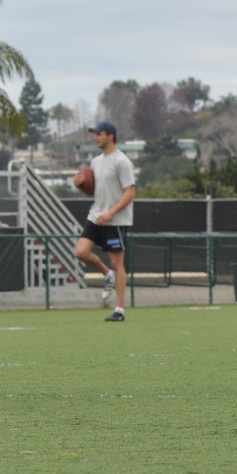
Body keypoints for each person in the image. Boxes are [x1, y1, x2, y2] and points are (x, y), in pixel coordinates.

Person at [73, 120, 136, 322]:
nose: (95, 137)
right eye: (94, 134)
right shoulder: (96, 162)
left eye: (98, 134)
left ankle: (119, 309)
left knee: (118, 263)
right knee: (80, 252)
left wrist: (111, 213)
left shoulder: (122, 161)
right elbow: (93, 191)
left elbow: (130, 193)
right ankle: (106, 274)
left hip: (115, 220)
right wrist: (80, 185)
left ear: (110, 136)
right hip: (95, 215)